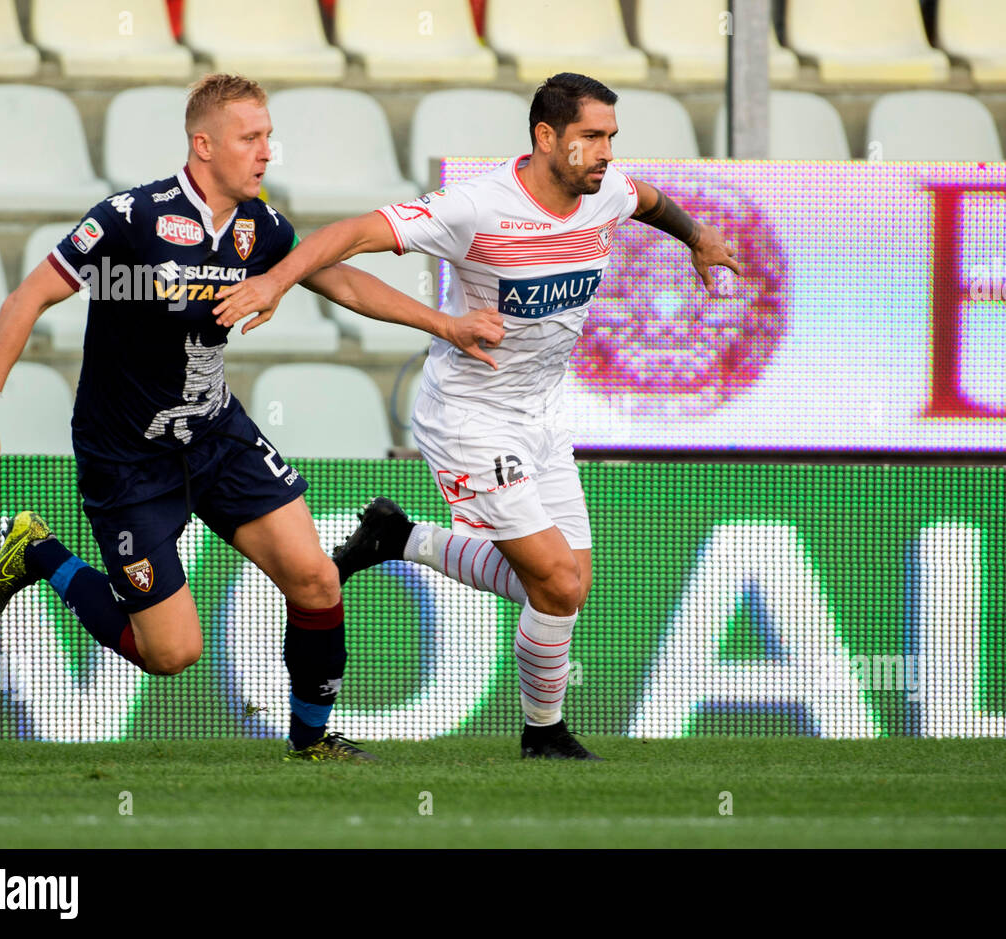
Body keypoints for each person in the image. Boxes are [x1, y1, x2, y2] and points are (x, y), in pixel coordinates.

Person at [0, 73, 503, 761]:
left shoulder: (261, 226)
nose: (267, 151)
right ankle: (39, 551)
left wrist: (445, 324)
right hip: (128, 459)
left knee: (317, 578)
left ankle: (311, 742)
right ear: (203, 144)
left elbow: (344, 281)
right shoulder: (132, 218)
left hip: (217, 436)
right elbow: (24, 300)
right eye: (251, 138)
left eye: (269, 136)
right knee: (172, 650)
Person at [213, 72, 740, 759]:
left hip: (545, 412)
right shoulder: (476, 207)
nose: (607, 151)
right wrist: (277, 279)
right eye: (592, 136)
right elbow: (350, 233)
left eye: (612, 136)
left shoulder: (604, 188)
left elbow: (650, 199)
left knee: (567, 587)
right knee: (552, 579)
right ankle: (542, 733)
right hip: (471, 415)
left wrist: (697, 236)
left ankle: (397, 539)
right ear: (546, 137)